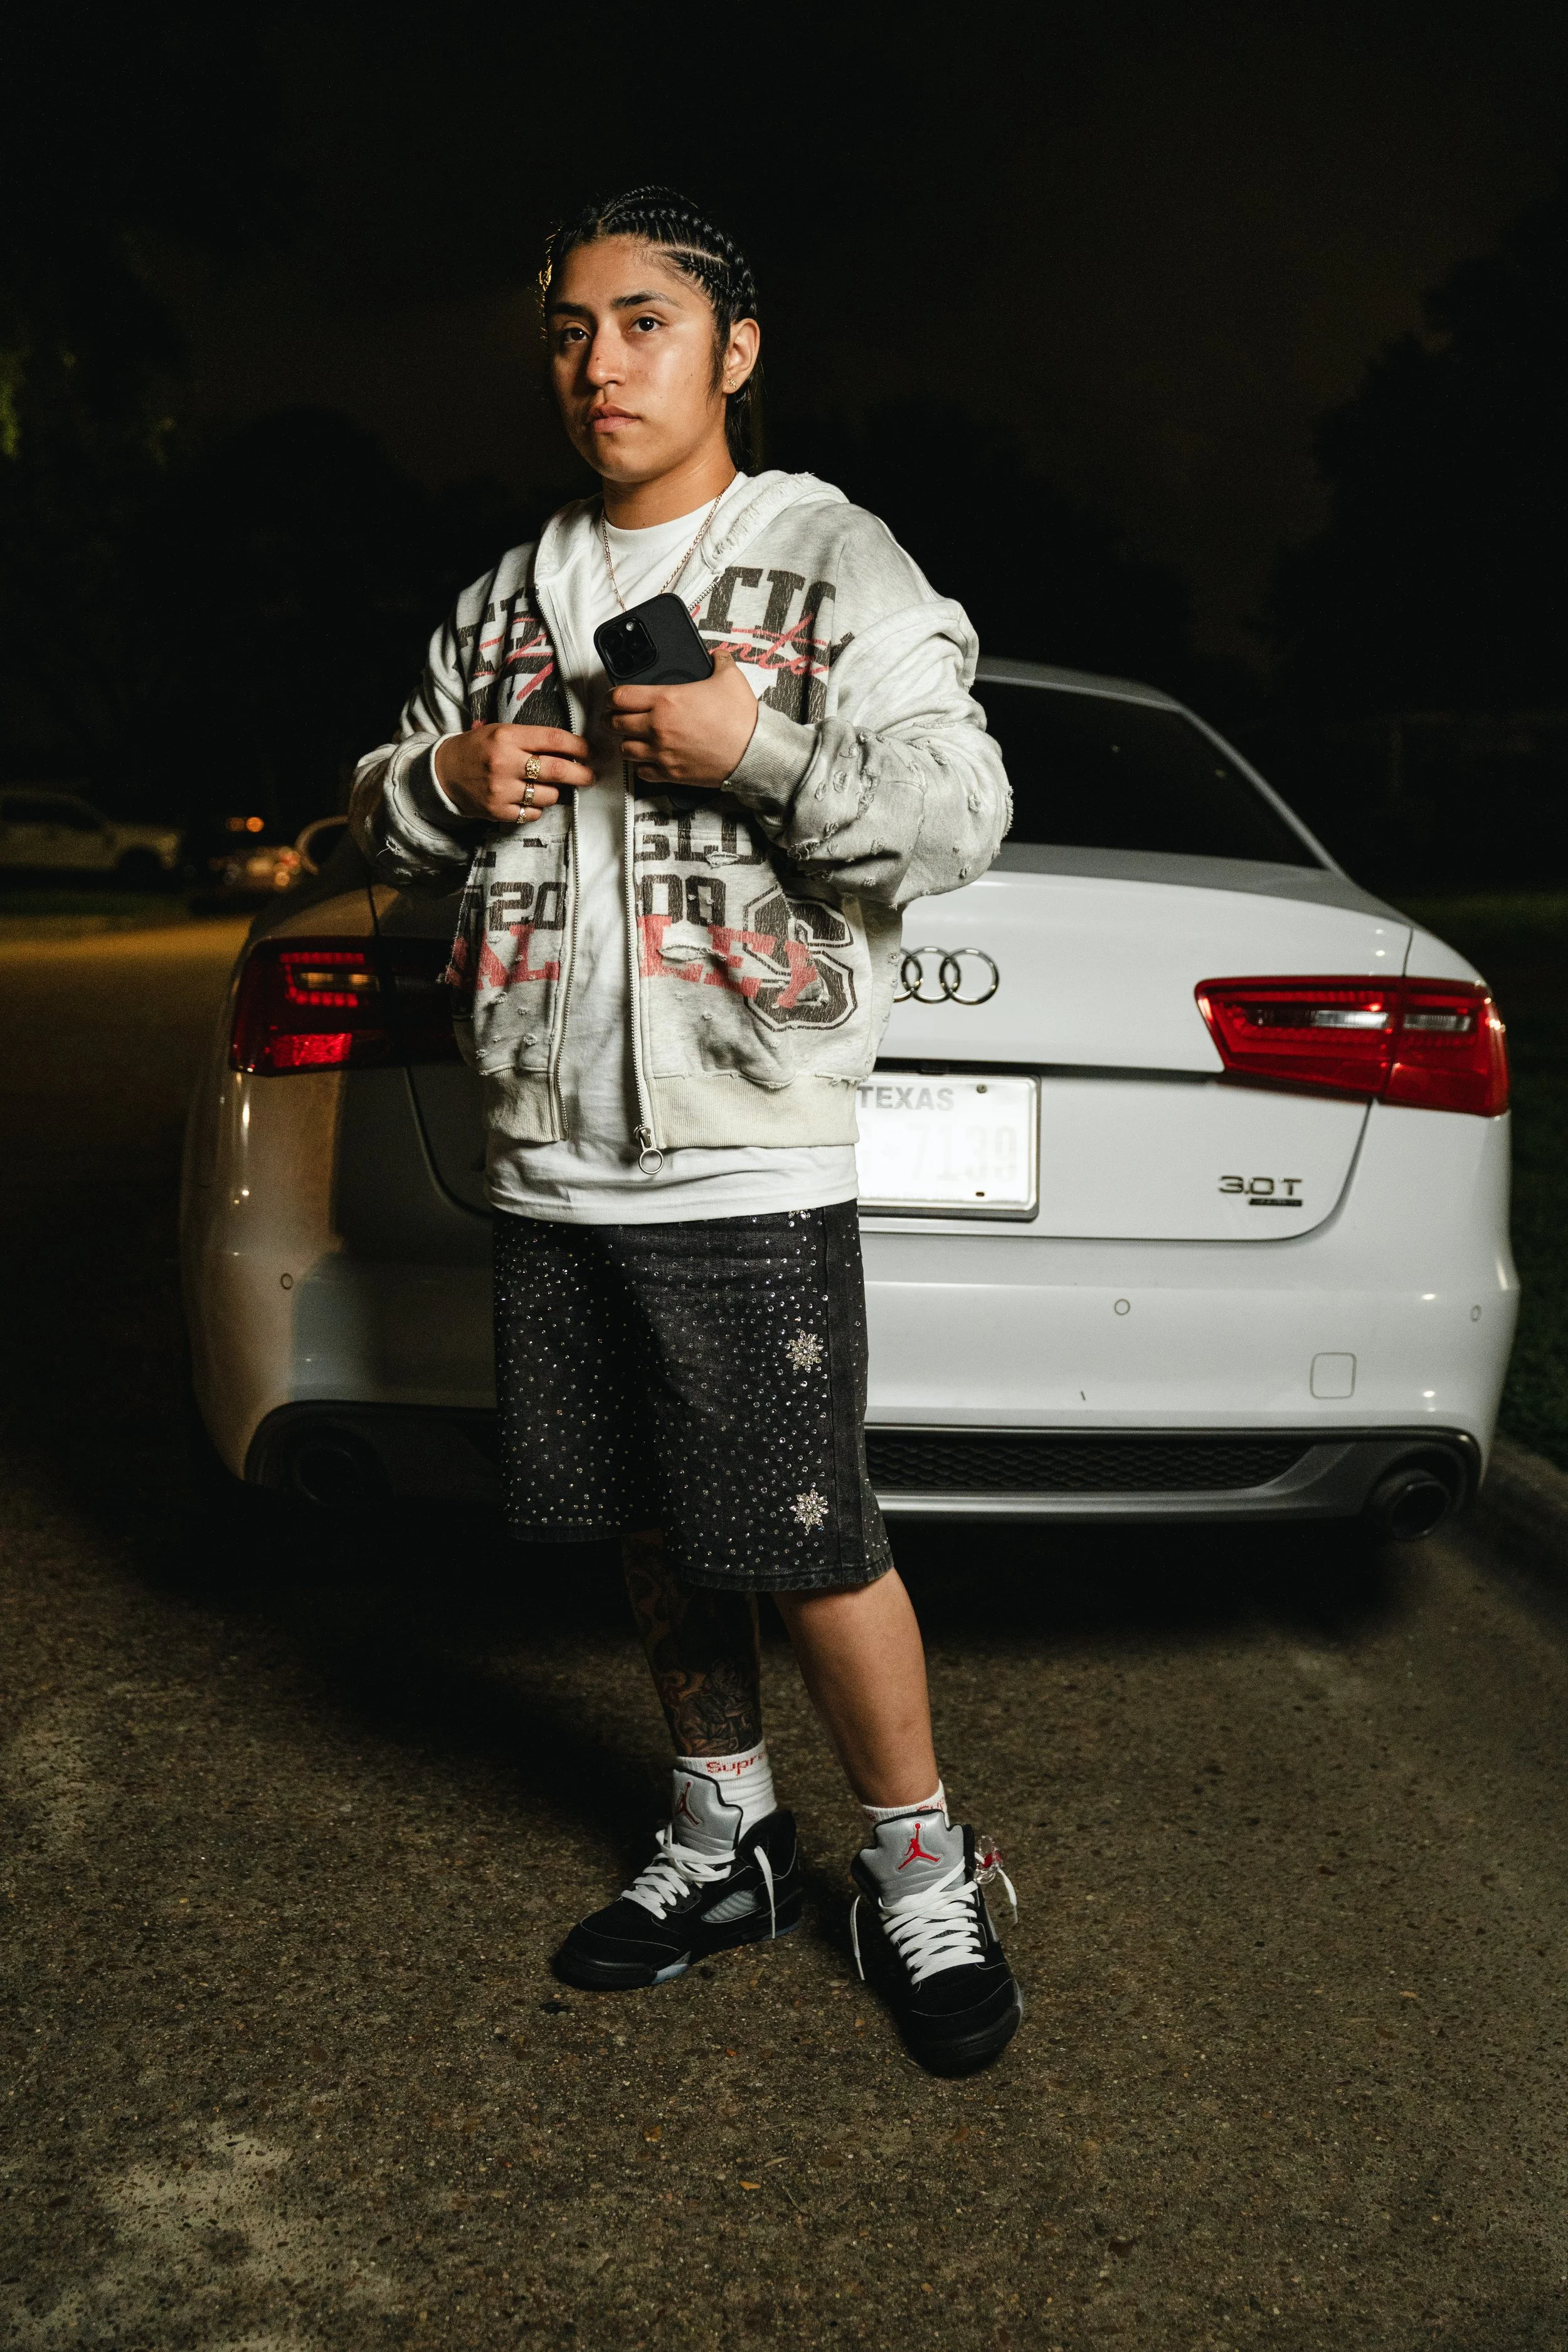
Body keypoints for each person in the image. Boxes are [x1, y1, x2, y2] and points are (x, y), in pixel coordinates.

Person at [351, 187, 1019, 2075]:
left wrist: (756, 749)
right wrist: (438, 780)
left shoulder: (830, 557)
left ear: (732, 349)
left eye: (642, 322)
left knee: (805, 1532)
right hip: (550, 1146)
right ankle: (723, 1833)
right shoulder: (501, 596)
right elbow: (373, 812)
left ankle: (915, 1863)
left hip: (747, 1142)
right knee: (648, 1518)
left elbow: (957, 814)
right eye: (567, 329)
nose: (598, 363)